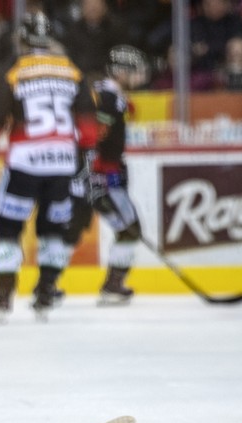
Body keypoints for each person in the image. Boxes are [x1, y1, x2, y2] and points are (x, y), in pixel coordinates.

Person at [0, 11, 99, 322]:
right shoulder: (71, 70)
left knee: (8, 229)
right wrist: (83, 157)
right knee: (54, 230)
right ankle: (46, 292)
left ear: (22, 39)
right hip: (62, 162)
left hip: (26, 162)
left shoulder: (14, 70)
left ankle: (4, 297)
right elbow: (89, 125)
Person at [62, 44, 146, 305]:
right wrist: (93, 179)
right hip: (102, 177)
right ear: (121, 72)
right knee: (129, 230)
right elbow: (94, 139)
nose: (141, 76)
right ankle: (111, 286)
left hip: (102, 176)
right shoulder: (109, 98)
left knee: (74, 230)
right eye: (135, 71)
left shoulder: (105, 95)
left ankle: (48, 285)